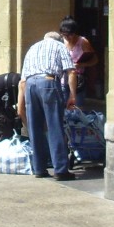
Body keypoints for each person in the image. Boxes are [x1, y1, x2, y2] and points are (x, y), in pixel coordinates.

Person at [19, 31, 77, 180]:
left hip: (30, 85)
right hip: (48, 82)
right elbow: (71, 72)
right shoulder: (59, 46)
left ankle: (39, 168)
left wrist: (22, 103)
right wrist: (72, 95)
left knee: (34, 128)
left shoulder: (32, 48)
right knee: (54, 126)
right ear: (59, 39)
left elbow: (23, 80)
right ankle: (60, 169)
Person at [59, 16, 97, 108]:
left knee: (76, 108)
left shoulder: (82, 42)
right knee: (62, 109)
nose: (67, 37)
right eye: (64, 35)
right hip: (62, 80)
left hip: (78, 80)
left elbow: (94, 59)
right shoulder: (59, 41)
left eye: (70, 35)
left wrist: (81, 64)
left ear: (74, 32)